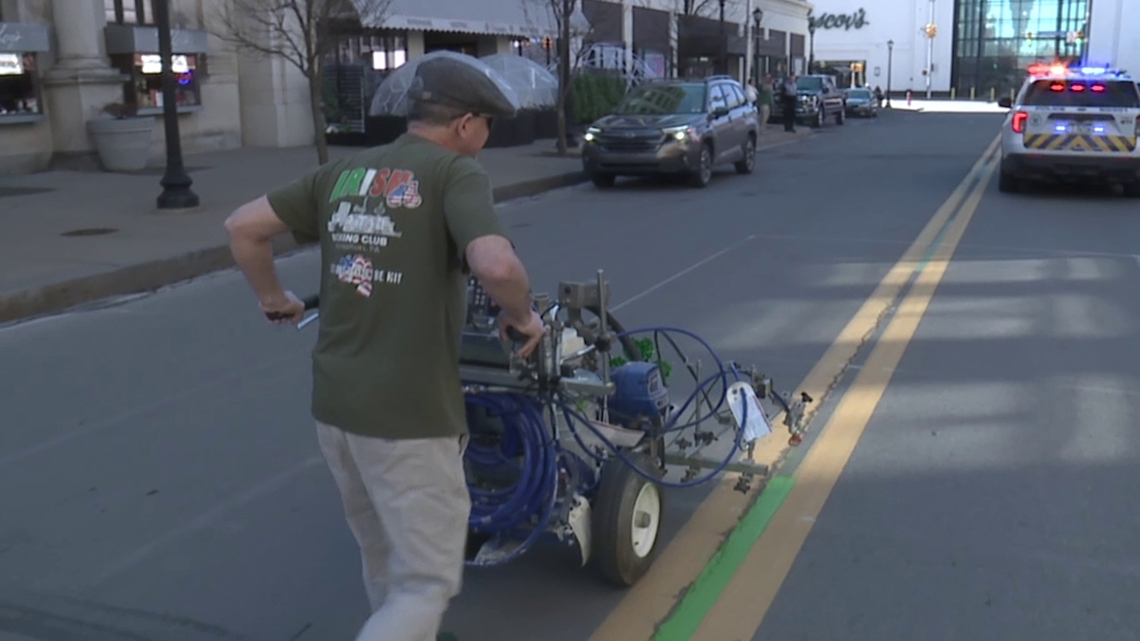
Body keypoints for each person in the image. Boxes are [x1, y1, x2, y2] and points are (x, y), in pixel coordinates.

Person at [223, 56, 545, 641]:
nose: (486, 140)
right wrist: (522, 315)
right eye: (487, 127)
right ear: (466, 123)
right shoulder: (455, 173)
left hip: (337, 409)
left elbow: (243, 227)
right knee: (426, 582)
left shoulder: (343, 173)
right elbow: (497, 264)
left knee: (384, 557)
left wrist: (275, 298)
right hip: (408, 416)